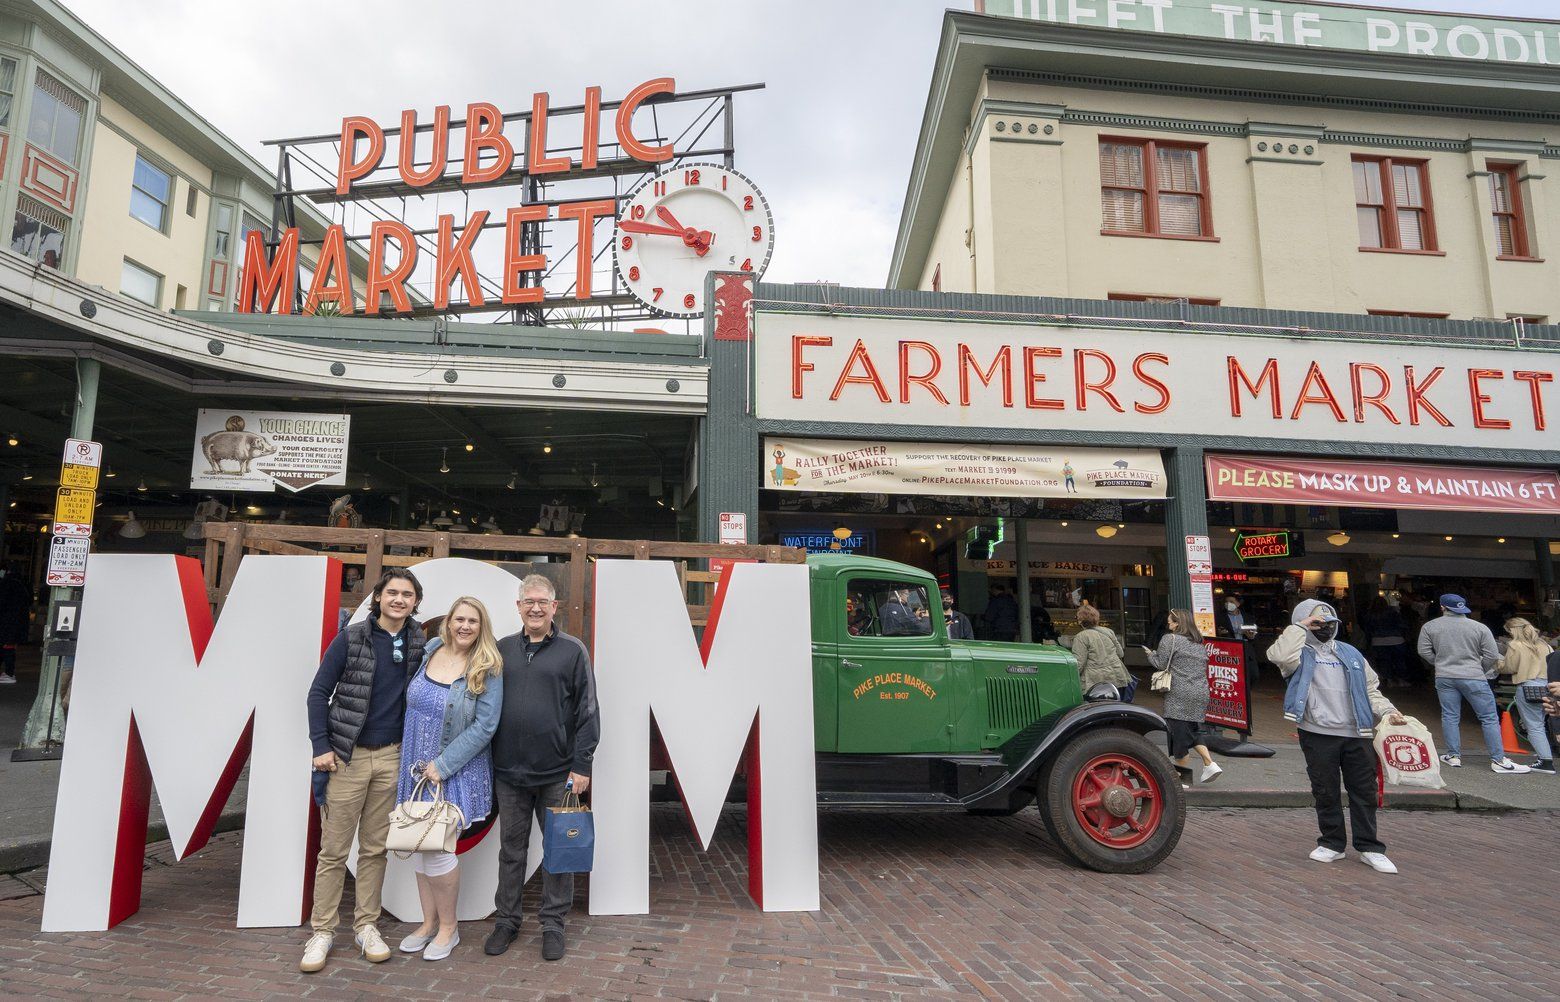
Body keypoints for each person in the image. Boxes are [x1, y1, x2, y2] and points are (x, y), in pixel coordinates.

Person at [302, 570, 428, 973]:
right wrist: (321, 746)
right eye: (392, 592)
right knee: (334, 851)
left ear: (415, 602)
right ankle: (322, 931)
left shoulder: (418, 643)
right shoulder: (352, 638)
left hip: (392, 758)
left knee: (375, 850)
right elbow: (319, 692)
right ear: (377, 597)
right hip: (347, 758)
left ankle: (366, 926)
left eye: (407, 595)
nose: (399, 599)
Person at [485, 575, 600, 962]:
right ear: (518, 607)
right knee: (511, 852)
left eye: (542, 602)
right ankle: (507, 921)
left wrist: (582, 764)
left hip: (557, 774)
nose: (535, 608)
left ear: (555, 607)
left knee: (558, 851)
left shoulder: (572, 651)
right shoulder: (501, 650)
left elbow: (588, 711)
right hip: (509, 774)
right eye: (528, 601)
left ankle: (553, 924)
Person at [395, 597, 504, 961]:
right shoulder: (430, 650)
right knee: (420, 844)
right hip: (416, 766)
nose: (465, 626)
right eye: (460, 618)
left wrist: (443, 764)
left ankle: (449, 928)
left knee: (440, 848)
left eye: (473, 620)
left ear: (481, 626)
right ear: (448, 622)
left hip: (456, 769)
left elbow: (486, 725)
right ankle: (428, 923)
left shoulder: (488, 667)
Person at [1268, 599, 1407, 873]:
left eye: (1330, 623)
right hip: (1317, 733)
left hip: (1358, 733)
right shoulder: (1298, 655)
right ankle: (1331, 843)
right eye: (1317, 623)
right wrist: (1300, 626)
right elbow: (1279, 655)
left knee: (1364, 791)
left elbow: (1371, 689)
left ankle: (1369, 847)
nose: (1325, 628)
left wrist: (1388, 711)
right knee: (1325, 790)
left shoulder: (1352, 653)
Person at [1417, 593, 1531, 774]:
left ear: (1442, 607)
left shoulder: (1430, 626)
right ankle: (1498, 759)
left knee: (1450, 716)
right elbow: (1492, 655)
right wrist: (1481, 669)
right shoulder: (1479, 627)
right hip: (1474, 676)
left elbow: (1423, 651)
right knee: (1489, 718)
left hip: (1445, 676)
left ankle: (1453, 756)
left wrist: (1439, 663)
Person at [1149, 609, 1221, 783]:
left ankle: (1183, 779)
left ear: (1178, 623)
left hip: (1179, 693)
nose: (1169, 625)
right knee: (1191, 729)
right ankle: (1209, 764)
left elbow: (1161, 664)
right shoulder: (1198, 642)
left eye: (1171, 622)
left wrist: (1150, 655)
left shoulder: (1170, 639)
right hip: (1200, 692)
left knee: (1178, 737)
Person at [1497, 617, 1554, 774]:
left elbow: (1509, 668)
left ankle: (1546, 762)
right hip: (1548, 687)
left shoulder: (1515, 645)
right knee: (1542, 723)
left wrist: (1497, 663)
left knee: (1534, 726)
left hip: (1528, 687)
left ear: (1512, 630)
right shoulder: (1545, 645)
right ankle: (1544, 756)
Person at [1071, 602, 1133, 699]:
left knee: (1095, 710)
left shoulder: (1081, 637)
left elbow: (1079, 664)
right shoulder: (1108, 631)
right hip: (1117, 677)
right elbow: (1120, 653)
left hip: (1095, 682)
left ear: (1080, 620)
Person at [1362, 597, 1410, 689]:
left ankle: (1389, 681)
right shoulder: (1393, 612)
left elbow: (1367, 630)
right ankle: (1401, 680)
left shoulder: (1370, 614)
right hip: (1396, 639)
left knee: (1384, 662)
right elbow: (1401, 624)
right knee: (1399, 661)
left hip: (1378, 641)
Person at [0, 562, 31, 684]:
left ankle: (9, 673)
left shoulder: (7, 584)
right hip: (17, 624)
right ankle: (8, 673)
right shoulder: (24, 584)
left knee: (6, 648)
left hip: (6, 623)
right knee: (8, 647)